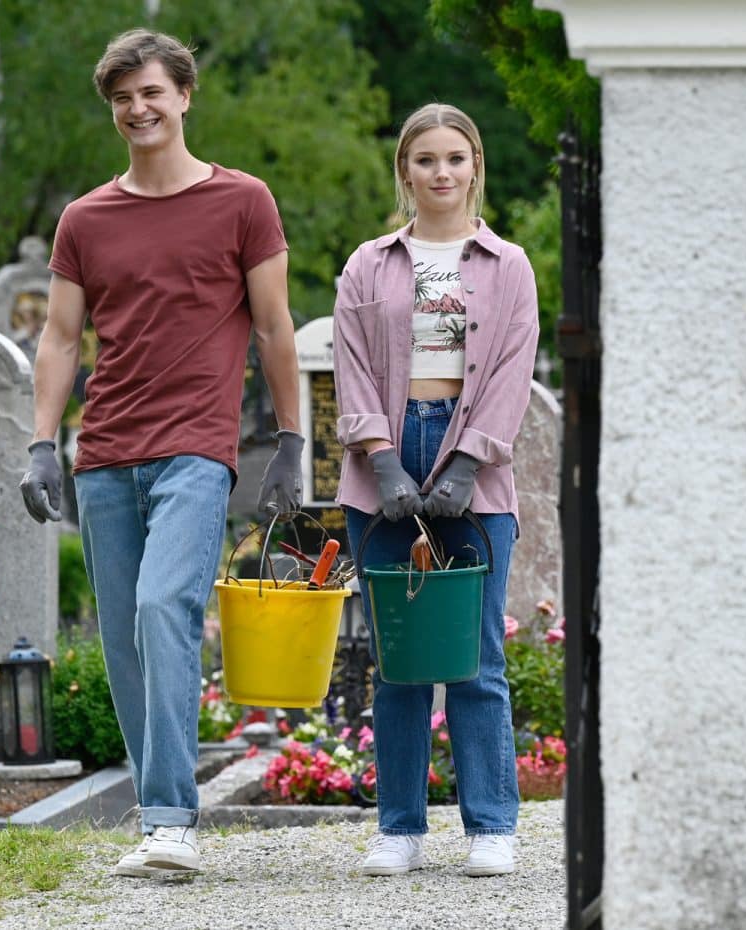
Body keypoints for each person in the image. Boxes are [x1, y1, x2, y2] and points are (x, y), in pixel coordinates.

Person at [18, 28, 303, 878]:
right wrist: (42, 444)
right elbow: (61, 339)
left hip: (195, 448)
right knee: (122, 638)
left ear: (184, 96)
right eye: (122, 99)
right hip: (104, 452)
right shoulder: (85, 218)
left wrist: (293, 441)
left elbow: (275, 326)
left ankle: (174, 816)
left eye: (151, 93)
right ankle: (157, 816)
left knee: (163, 608)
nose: (138, 109)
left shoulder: (243, 201)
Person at [332, 103, 538, 877]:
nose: (441, 172)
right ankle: (399, 828)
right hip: (387, 456)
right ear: (405, 170)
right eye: (426, 160)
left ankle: (491, 825)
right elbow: (351, 364)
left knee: (476, 659)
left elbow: (513, 371)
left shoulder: (507, 265)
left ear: (475, 167)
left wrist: (465, 464)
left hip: (472, 470)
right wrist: (382, 461)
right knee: (400, 659)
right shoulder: (369, 264)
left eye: (455, 158)